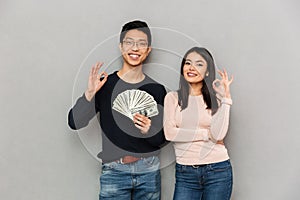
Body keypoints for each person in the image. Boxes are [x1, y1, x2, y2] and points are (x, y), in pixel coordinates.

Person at [68, 20, 167, 200]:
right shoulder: (105, 85)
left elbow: (161, 139)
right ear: (121, 47)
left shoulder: (157, 90)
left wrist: (149, 130)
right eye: (129, 42)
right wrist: (89, 94)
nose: (135, 48)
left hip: (149, 170)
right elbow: (74, 122)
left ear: (148, 50)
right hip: (114, 171)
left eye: (141, 43)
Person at [163, 47, 234, 200]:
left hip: (217, 170)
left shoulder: (217, 99)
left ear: (208, 71)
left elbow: (219, 134)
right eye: (188, 63)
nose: (191, 68)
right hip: (185, 172)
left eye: (199, 64)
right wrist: (205, 134)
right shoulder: (173, 98)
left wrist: (226, 98)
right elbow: (169, 133)